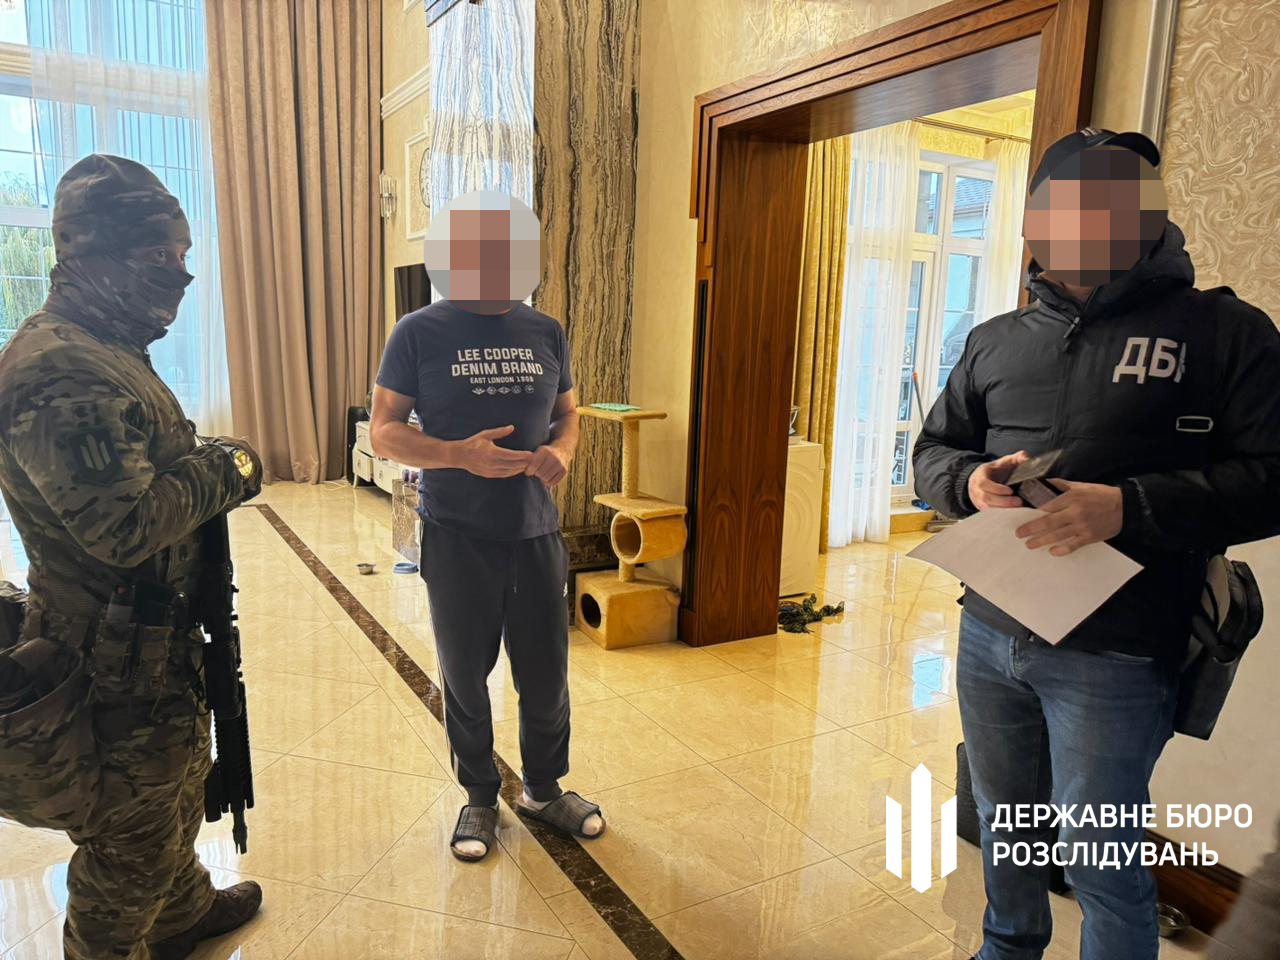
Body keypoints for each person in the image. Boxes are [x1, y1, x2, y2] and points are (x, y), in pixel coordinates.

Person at [913, 128, 1280, 960]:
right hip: (989, 631)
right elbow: (933, 450)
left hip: (1119, 650)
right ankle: (1007, 948)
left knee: (1099, 859)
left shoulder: (1226, 333)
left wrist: (1130, 508)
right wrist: (969, 483)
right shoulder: (997, 339)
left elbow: (1273, 476)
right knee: (1007, 827)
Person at [0, 154, 264, 960]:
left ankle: (182, 916)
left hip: (148, 637)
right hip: (110, 658)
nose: (177, 274)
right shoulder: (61, 367)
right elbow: (126, 525)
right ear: (92, 253)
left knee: (172, 793)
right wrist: (234, 466)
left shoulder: (103, 347)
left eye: (181, 254)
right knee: (130, 839)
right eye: (157, 255)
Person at [369, 197, 605, 862]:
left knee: (546, 675)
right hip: (457, 533)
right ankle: (478, 795)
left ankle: (544, 790)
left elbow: (568, 415)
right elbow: (384, 431)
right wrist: (457, 454)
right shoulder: (417, 332)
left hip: (535, 532)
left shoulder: (545, 331)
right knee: (466, 677)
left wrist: (562, 450)